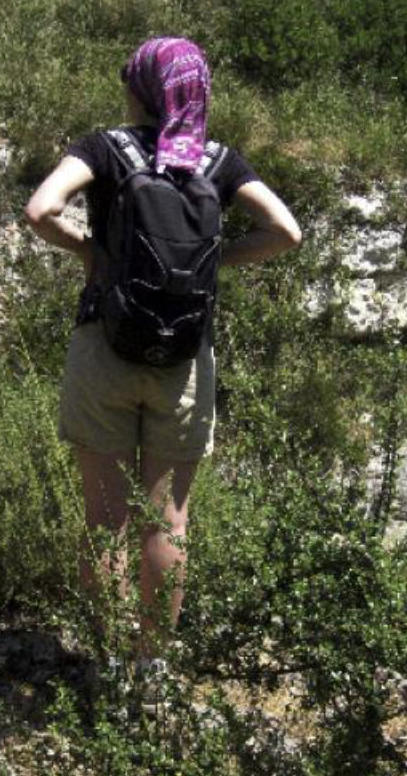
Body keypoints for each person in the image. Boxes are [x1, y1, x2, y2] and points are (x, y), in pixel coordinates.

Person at [24, 37, 301, 664]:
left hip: (105, 347)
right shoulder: (220, 161)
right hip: (184, 360)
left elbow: (41, 209)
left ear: (140, 90)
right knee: (168, 519)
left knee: (105, 520)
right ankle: (153, 667)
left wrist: (92, 253)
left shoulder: (104, 148)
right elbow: (287, 232)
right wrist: (215, 264)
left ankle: (107, 666)